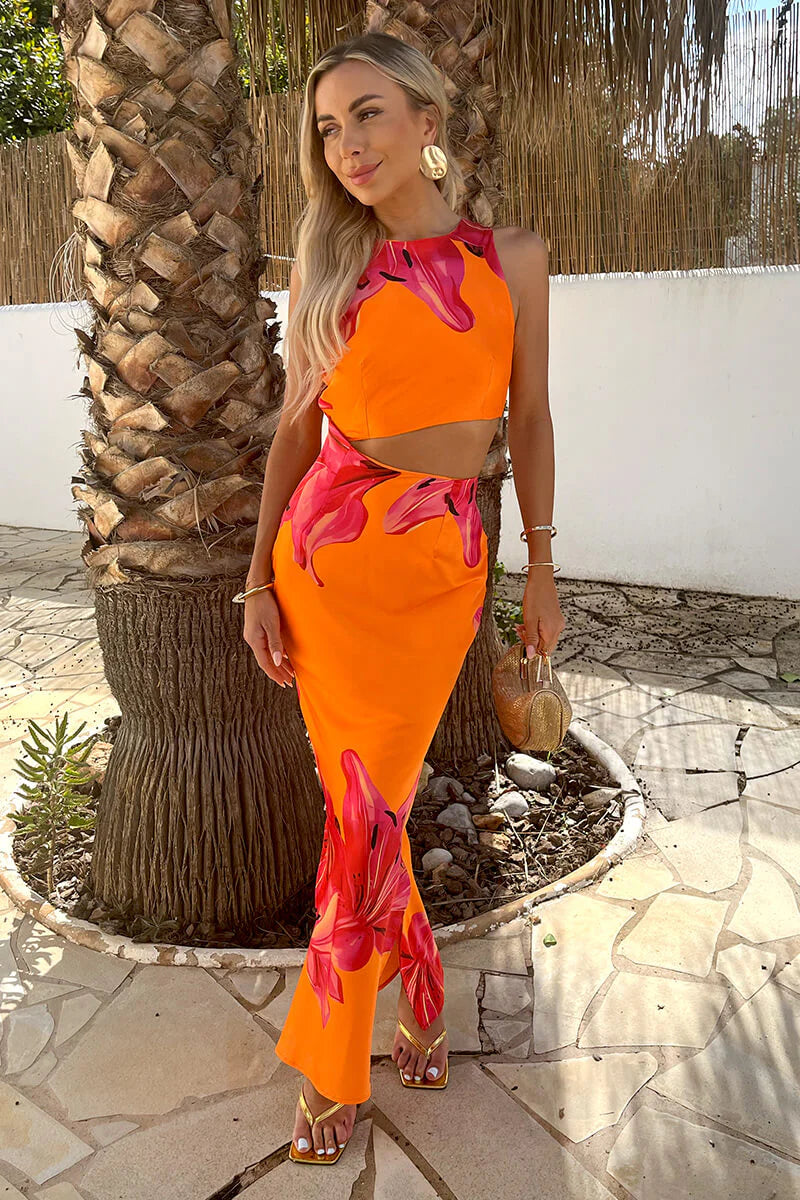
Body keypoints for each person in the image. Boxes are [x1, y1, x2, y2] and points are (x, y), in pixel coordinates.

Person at [237, 31, 562, 1166]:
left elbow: (529, 419)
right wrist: (255, 580)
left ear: (427, 121)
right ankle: (345, 1053)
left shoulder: (511, 258)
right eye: (328, 128)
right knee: (361, 811)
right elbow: (294, 434)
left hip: (438, 567)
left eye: (367, 114)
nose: (348, 145)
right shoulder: (329, 271)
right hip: (325, 562)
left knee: (370, 806)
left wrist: (541, 565)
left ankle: (415, 997)